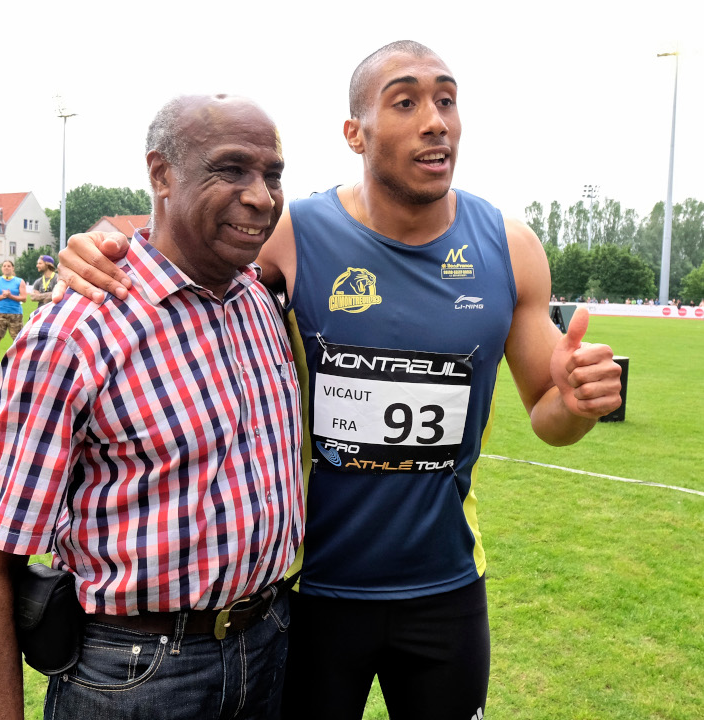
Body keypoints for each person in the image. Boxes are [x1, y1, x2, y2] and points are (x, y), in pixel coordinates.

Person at [55, 41, 622, 720]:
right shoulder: (294, 233)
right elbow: (181, 250)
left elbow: (549, 418)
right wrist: (98, 246)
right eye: (405, 101)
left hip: (444, 591)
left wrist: (580, 402)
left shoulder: (510, 246)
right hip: (314, 592)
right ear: (355, 133)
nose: (435, 119)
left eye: (447, 98)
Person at [0, 94, 304, 720]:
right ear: (162, 175)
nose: (260, 196)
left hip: (270, 646)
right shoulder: (74, 332)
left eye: (272, 174)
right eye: (231, 169)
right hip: (138, 674)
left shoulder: (259, 305)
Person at [0, 259, 26, 371]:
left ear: (13, 268)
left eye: (9, 266)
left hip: (15, 314)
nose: (6, 268)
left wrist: (11, 296)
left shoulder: (19, 281)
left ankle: (18, 362)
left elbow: (24, 298)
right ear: (1, 268)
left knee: (17, 339)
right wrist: (3, 296)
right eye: (4, 266)